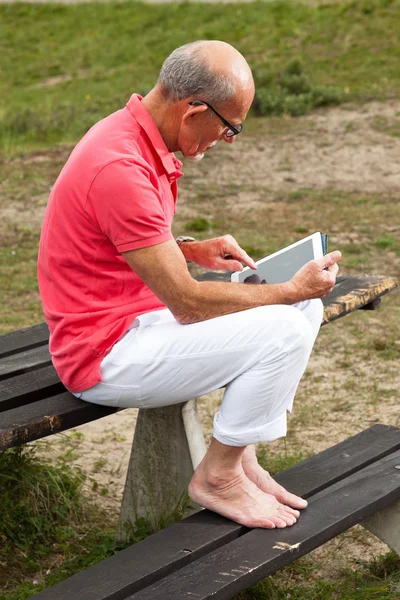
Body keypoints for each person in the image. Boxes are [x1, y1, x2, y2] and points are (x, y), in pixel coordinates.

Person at [38, 40, 341, 530]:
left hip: (136, 318)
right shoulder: (120, 166)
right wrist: (287, 291)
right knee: (288, 318)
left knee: (302, 310)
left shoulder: (131, 135)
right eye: (230, 126)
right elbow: (188, 303)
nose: (230, 138)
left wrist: (186, 247)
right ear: (194, 108)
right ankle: (216, 478)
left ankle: (241, 460)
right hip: (102, 354)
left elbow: (113, 235)